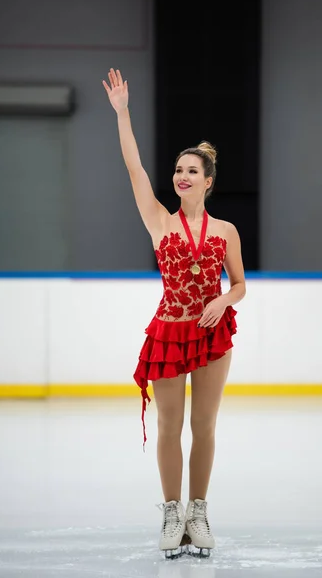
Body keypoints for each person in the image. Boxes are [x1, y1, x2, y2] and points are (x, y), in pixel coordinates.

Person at [102, 68, 246, 559]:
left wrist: (223, 299)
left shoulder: (226, 231)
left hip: (212, 334)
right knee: (168, 427)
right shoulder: (158, 220)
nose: (181, 176)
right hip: (168, 333)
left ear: (207, 181)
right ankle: (170, 513)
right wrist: (123, 112)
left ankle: (198, 512)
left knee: (203, 426)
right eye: (178, 169)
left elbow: (242, 284)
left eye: (191, 171)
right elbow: (133, 168)